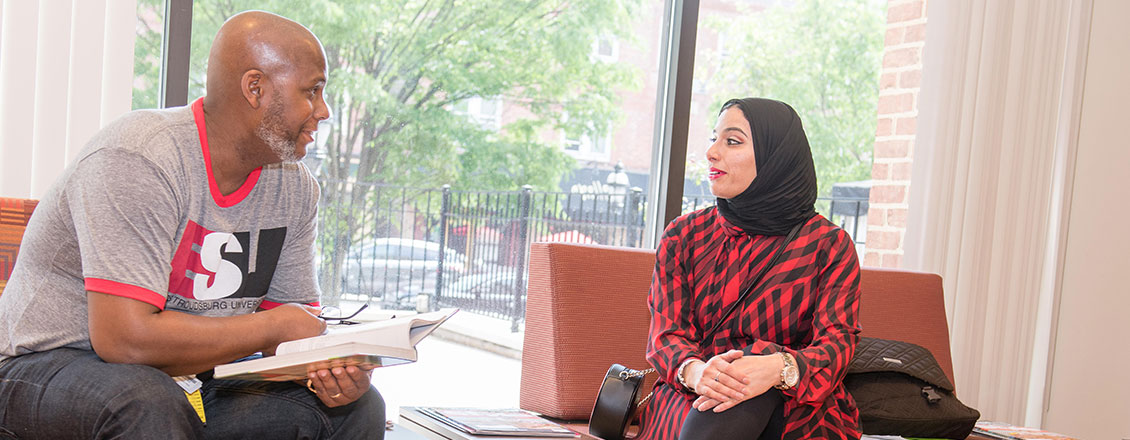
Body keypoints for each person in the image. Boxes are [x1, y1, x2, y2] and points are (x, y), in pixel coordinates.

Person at [0, 11, 385, 439]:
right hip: (48, 364)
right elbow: (124, 341)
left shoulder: (294, 189)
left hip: (192, 379)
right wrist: (275, 327)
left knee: (354, 408)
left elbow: (290, 334)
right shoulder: (139, 158)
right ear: (255, 88)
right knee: (145, 400)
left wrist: (331, 372)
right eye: (311, 91)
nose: (323, 110)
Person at [638, 98, 861, 439]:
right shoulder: (684, 236)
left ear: (776, 158)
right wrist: (698, 372)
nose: (712, 152)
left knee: (754, 402)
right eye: (714, 138)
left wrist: (777, 368)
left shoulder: (828, 244)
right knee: (726, 401)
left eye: (732, 141)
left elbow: (837, 343)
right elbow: (666, 335)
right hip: (695, 394)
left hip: (796, 399)